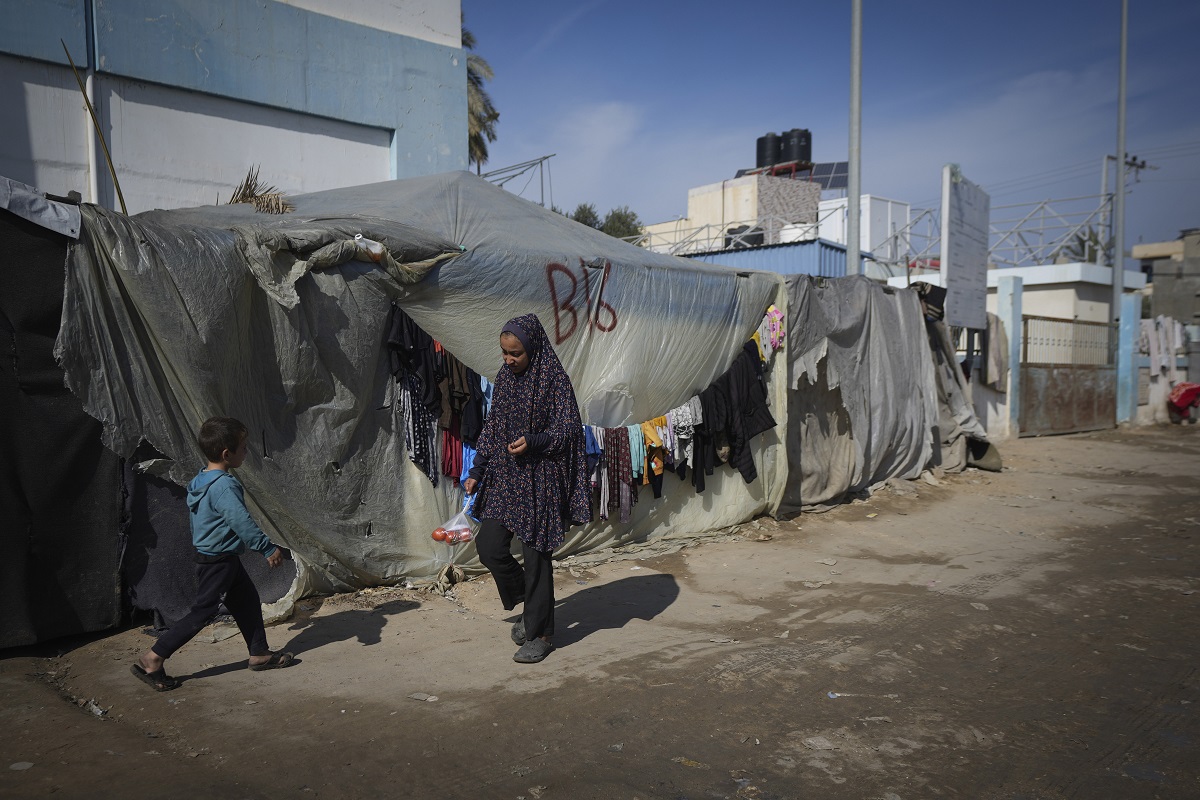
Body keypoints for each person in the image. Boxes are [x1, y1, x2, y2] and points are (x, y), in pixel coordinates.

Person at [464, 314, 592, 663]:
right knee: (489, 547)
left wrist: (534, 441)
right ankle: (534, 605)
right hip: (507, 479)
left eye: (515, 354)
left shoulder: (554, 380)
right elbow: (493, 428)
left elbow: (568, 430)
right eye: (505, 353)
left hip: (541, 481)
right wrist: (477, 469)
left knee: (537, 559)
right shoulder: (506, 378)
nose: (508, 360)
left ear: (533, 349)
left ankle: (541, 634)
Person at [131, 417, 294, 691]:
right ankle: (153, 657)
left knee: (247, 600)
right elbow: (240, 521)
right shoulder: (224, 486)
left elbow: (200, 520)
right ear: (226, 454)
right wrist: (267, 547)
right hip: (218, 561)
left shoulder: (201, 480)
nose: (246, 452)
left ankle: (259, 654)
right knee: (202, 612)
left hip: (220, 557)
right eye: (243, 448)